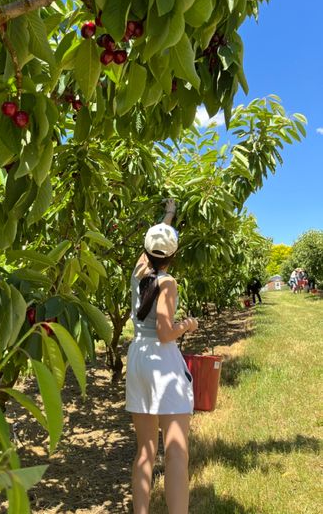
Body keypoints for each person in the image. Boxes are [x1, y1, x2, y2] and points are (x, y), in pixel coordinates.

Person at [125, 200, 199, 514]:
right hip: (162, 362)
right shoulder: (167, 283)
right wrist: (189, 324)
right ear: (173, 254)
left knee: (145, 449)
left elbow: (153, 243)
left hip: (138, 357)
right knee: (176, 452)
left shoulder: (138, 271)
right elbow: (167, 331)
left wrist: (168, 213)